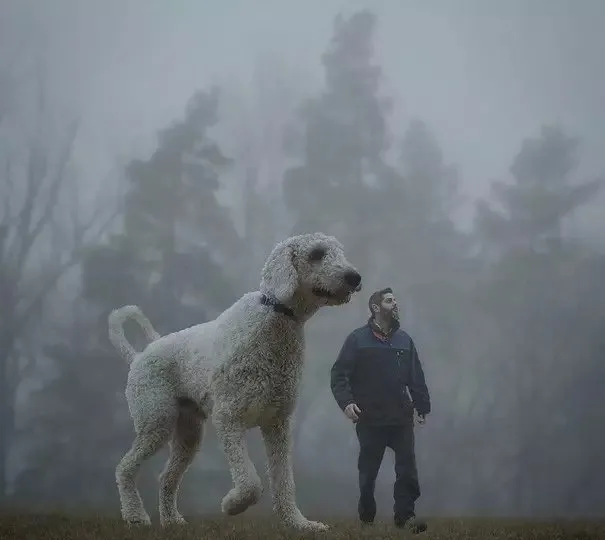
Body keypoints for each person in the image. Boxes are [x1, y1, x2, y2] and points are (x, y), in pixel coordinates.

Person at [330, 287, 431, 534]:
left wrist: (422, 405)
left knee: (407, 470)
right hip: (370, 419)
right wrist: (346, 403)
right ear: (375, 307)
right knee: (368, 475)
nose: (395, 303)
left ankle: (405, 517)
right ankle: (366, 517)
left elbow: (416, 376)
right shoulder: (357, 340)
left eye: (395, 299)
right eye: (389, 300)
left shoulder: (404, 340)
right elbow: (339, 375)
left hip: (400, 418)